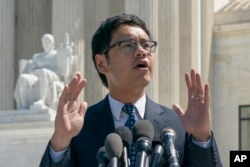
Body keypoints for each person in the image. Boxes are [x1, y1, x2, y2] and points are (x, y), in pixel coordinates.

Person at [40, 13, 222, 167]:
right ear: (102, 63)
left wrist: (201, 138)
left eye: (146, 45)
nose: (141, 52)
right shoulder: (79, 128)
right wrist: (60, 141)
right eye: (128, 45)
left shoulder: (177, 125)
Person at [14, 34, 64, 109]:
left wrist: (42, 71)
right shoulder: (37, 56)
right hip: (37, 75)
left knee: (43, 72)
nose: (45, 44)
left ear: (52, 43)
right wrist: (39, 72)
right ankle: (25, 105)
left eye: (48, 42)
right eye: (44, 42)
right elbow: (31, 70)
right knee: (23, 77)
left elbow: (61, 70)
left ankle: (42, 100)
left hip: (54, 75)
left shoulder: (56, 55)